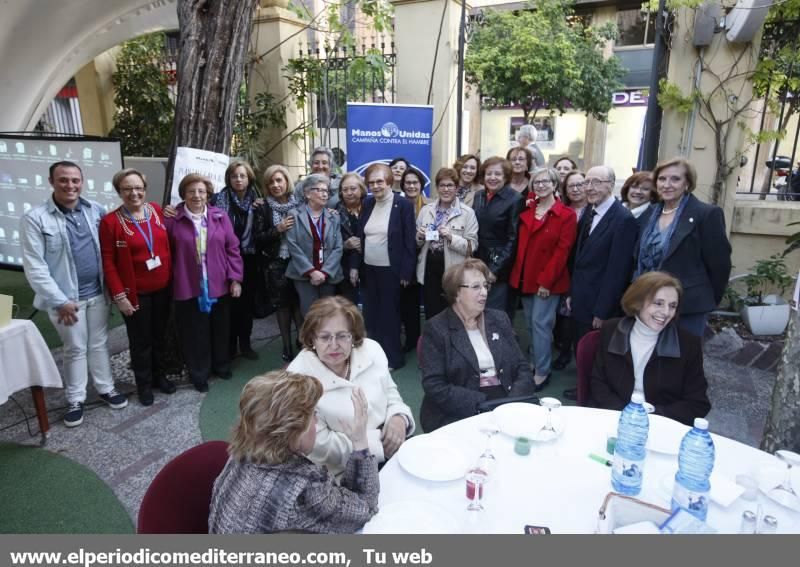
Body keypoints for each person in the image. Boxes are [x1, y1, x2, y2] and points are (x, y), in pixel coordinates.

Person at [20, 161, 128, 427]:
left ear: (82, 182)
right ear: (51, 181)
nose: (70, 185)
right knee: (75, 348)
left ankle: (106, 388)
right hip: (66, 301)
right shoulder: (35, 219)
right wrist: (60, 302)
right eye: (63, 180)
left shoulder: (95, 211)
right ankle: (75, 399)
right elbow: (35, 267)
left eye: (75, 180)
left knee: (98, 343)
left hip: (97, 294)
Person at [208, 370, 379, 533]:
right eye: (313, 414)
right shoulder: (303, 488)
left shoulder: (242, 454)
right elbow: (365, 507)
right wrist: (359, 441)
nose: (317, 420)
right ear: (293, 431)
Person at [287, 297, 415, 475]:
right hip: (341, 471)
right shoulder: (297, 378)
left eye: (342, 336)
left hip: (390, 446)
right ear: (311, 339)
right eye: (324, 337)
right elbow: (320, 444)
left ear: (353, 336)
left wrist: (399, 418)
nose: (334, 345)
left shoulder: (372, 350)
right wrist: (377, 445)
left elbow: (391, 393)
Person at [419, 259, 535, 432]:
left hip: (507, 401)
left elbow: (522, 367)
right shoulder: (437, 328)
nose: (484, 293)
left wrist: (512, 403)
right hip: (460, 411)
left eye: (485, 286)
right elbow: (435, 386)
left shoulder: (499, 319)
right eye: (475, 287)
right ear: (456, 293)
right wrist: (483, 405)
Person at [590, 272, 711, 426]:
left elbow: (697, 403)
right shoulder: (611, 330)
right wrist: (625, 416)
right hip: (613, 417)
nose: (666, 312)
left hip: (661, 425)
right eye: (658, 303)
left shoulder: (687, 344)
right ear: (638, 302)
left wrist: (650, 417)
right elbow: (598, 383)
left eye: (672, 306)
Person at [99, 168, 173, 406]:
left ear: (145, 189)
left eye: (138, 188)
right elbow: (108, 262)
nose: (134, 193)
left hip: (163, 287)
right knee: (140, 341)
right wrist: (119, 296)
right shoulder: (110, 222)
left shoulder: (156, 211)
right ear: (119, 191)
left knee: (160, 336)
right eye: (127, 189)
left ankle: (159, 377)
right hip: (135, 293)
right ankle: (143, 385)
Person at [634, 158, 732, 337]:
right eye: (662, 179)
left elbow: (720, 265)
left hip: (687, 307)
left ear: (687, 183)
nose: (667, 184)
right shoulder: (649, 213)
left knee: (681, 359)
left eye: (675, 179)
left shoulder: (706, 214)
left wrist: (707, 301)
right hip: (647, 302)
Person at [564, 165, 638, 401]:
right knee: (580, 346)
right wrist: (571, 292)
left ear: (611, 185)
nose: (589, 187)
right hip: (581, 295)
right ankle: (581, 386)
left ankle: (592, 393)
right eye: (587, 182)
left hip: (599, 301)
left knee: (595, 350)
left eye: (596, 182)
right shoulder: (589, 211)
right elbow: (579, 257)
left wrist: (602, 310)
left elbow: (618, 270)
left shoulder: (623, 219)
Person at [165, 174, 243, 392]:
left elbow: (233, 248)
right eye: (191, 191)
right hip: (188, 284)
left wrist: (235, 278)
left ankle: (221, 365)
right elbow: (167, 253)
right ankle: (199, 373)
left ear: (208, 194)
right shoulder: (172, 220)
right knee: (193, 332)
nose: (197, 196)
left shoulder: (220, 216)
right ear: (183, 195)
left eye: (201, 191)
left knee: (220, 328)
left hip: (218, 283)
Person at [509, 167, 576, 391]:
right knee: (530, 324)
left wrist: (546, 282)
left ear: (556, 184)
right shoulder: (528, 210)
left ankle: (542, 371)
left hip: (548, 282)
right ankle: (534, 362)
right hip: (525, 277)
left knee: (541, 326)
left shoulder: (566, 215)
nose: (540, 185)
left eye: (546, 181)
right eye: (536, 182)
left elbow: (562, 251)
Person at [353, 163, 416, 369]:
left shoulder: (403, 205)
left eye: (379, 181)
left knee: (389, 317)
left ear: (389, 181)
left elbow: (409, 241)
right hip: (369, 270)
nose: (375, 186)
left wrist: (407, 271)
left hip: (392, 271)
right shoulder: (368, 203)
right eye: (371, 182)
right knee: (371, 316)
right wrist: (355, 266)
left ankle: (392, 359)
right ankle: (374, 356)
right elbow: (361, 237)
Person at [210, 160, 262, 360]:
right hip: (225, 259)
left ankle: (246, 344)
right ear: (228, 179)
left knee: (246, 304)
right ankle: (229, 346)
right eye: (234, 176)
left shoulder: (257, 201)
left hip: (249, 258)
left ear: (249, 178)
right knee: (228, 305)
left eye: (242, 176)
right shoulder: (217, 200)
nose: (238, 180)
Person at [416, 167, 479, 320]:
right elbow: (416, 243)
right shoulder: (426, 210)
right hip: (429, 267)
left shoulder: (467, 213)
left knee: (454, 313)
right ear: (437, 188)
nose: (446, 189)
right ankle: (434, 343)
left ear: (456, 188)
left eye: (450, 185)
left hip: (453, 270)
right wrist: (419, 236)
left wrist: (451, 237)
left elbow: (472, 246)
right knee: (432, 312)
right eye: (442, 185)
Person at [254, 165, 303, 362]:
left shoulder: (300, 203)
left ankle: (302, 341)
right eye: (271, 182)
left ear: (286, 181)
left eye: (279, 180)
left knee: (299, 303)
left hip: (299, 260)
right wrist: (278, 229)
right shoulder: (263, 207)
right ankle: (286, 345)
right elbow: (257, 238)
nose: (275, 185)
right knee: (282, 306)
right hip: (275, 264)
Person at [471, 156, 524, 323]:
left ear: (505, 177)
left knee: (495, 314)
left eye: (497, 174)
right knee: (476, 309)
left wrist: (495, 269)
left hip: (499, 266)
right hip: (477, 261)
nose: (492, 178)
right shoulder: (479, 195)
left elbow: (513, 239)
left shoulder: (515, 199)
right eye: (489, 174)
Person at [285, 174, 343, 316]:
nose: (324, 194)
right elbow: (293, 245)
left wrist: (324, 272)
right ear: (307, 193)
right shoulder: (294, 214)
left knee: (328, 314)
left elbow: (338, 247)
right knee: (310, 314)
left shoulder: (334, 216)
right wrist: (311, 272)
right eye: (319, 190)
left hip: (328, 275)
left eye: (326, 191)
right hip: (304, 275)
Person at [552, 169, 589, 371]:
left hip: (583, 271)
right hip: (562, 267)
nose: (575, 189)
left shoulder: (593, 211)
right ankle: (564, 351)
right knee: (562, 313)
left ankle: (576, 355)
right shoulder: (562, 210)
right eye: (570, 186)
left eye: (579, 185)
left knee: (575, 313)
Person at [399, 167, 429, 352]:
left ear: (421, 185)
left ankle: (427, 342)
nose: (411, 186)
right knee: (407, 303)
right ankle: (411, 341)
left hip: (426, 260)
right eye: (407, 183)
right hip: (404, 262)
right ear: (402, 185)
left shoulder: (430, 206)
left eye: (415, 182)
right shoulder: (397, 205)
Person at [335, 172, 366, 304]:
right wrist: (345, 245)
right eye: (345, 190)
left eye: (353, 189)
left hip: (369, 262)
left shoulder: (371, 207)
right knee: (348, 305)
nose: (349, 193)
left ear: (361, 189)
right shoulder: (334, 212)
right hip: (344, 266)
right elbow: (328, 243)